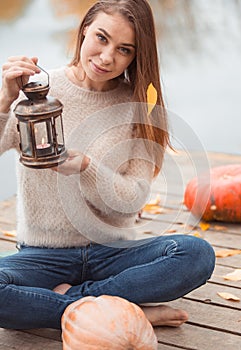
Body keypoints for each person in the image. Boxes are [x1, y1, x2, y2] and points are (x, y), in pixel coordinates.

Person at [0, 0, 215, 330]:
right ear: (85, 29)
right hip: (42, 255)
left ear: (135, 55)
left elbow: (131, 201)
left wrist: (87, 167)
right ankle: (116, 309)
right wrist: (4, 101)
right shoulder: (35, 93)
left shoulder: (139, 107)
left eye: (124, 49)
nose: (106, 57)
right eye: (101, 38)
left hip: (113, 253)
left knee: (195, 254)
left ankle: (77, 302)